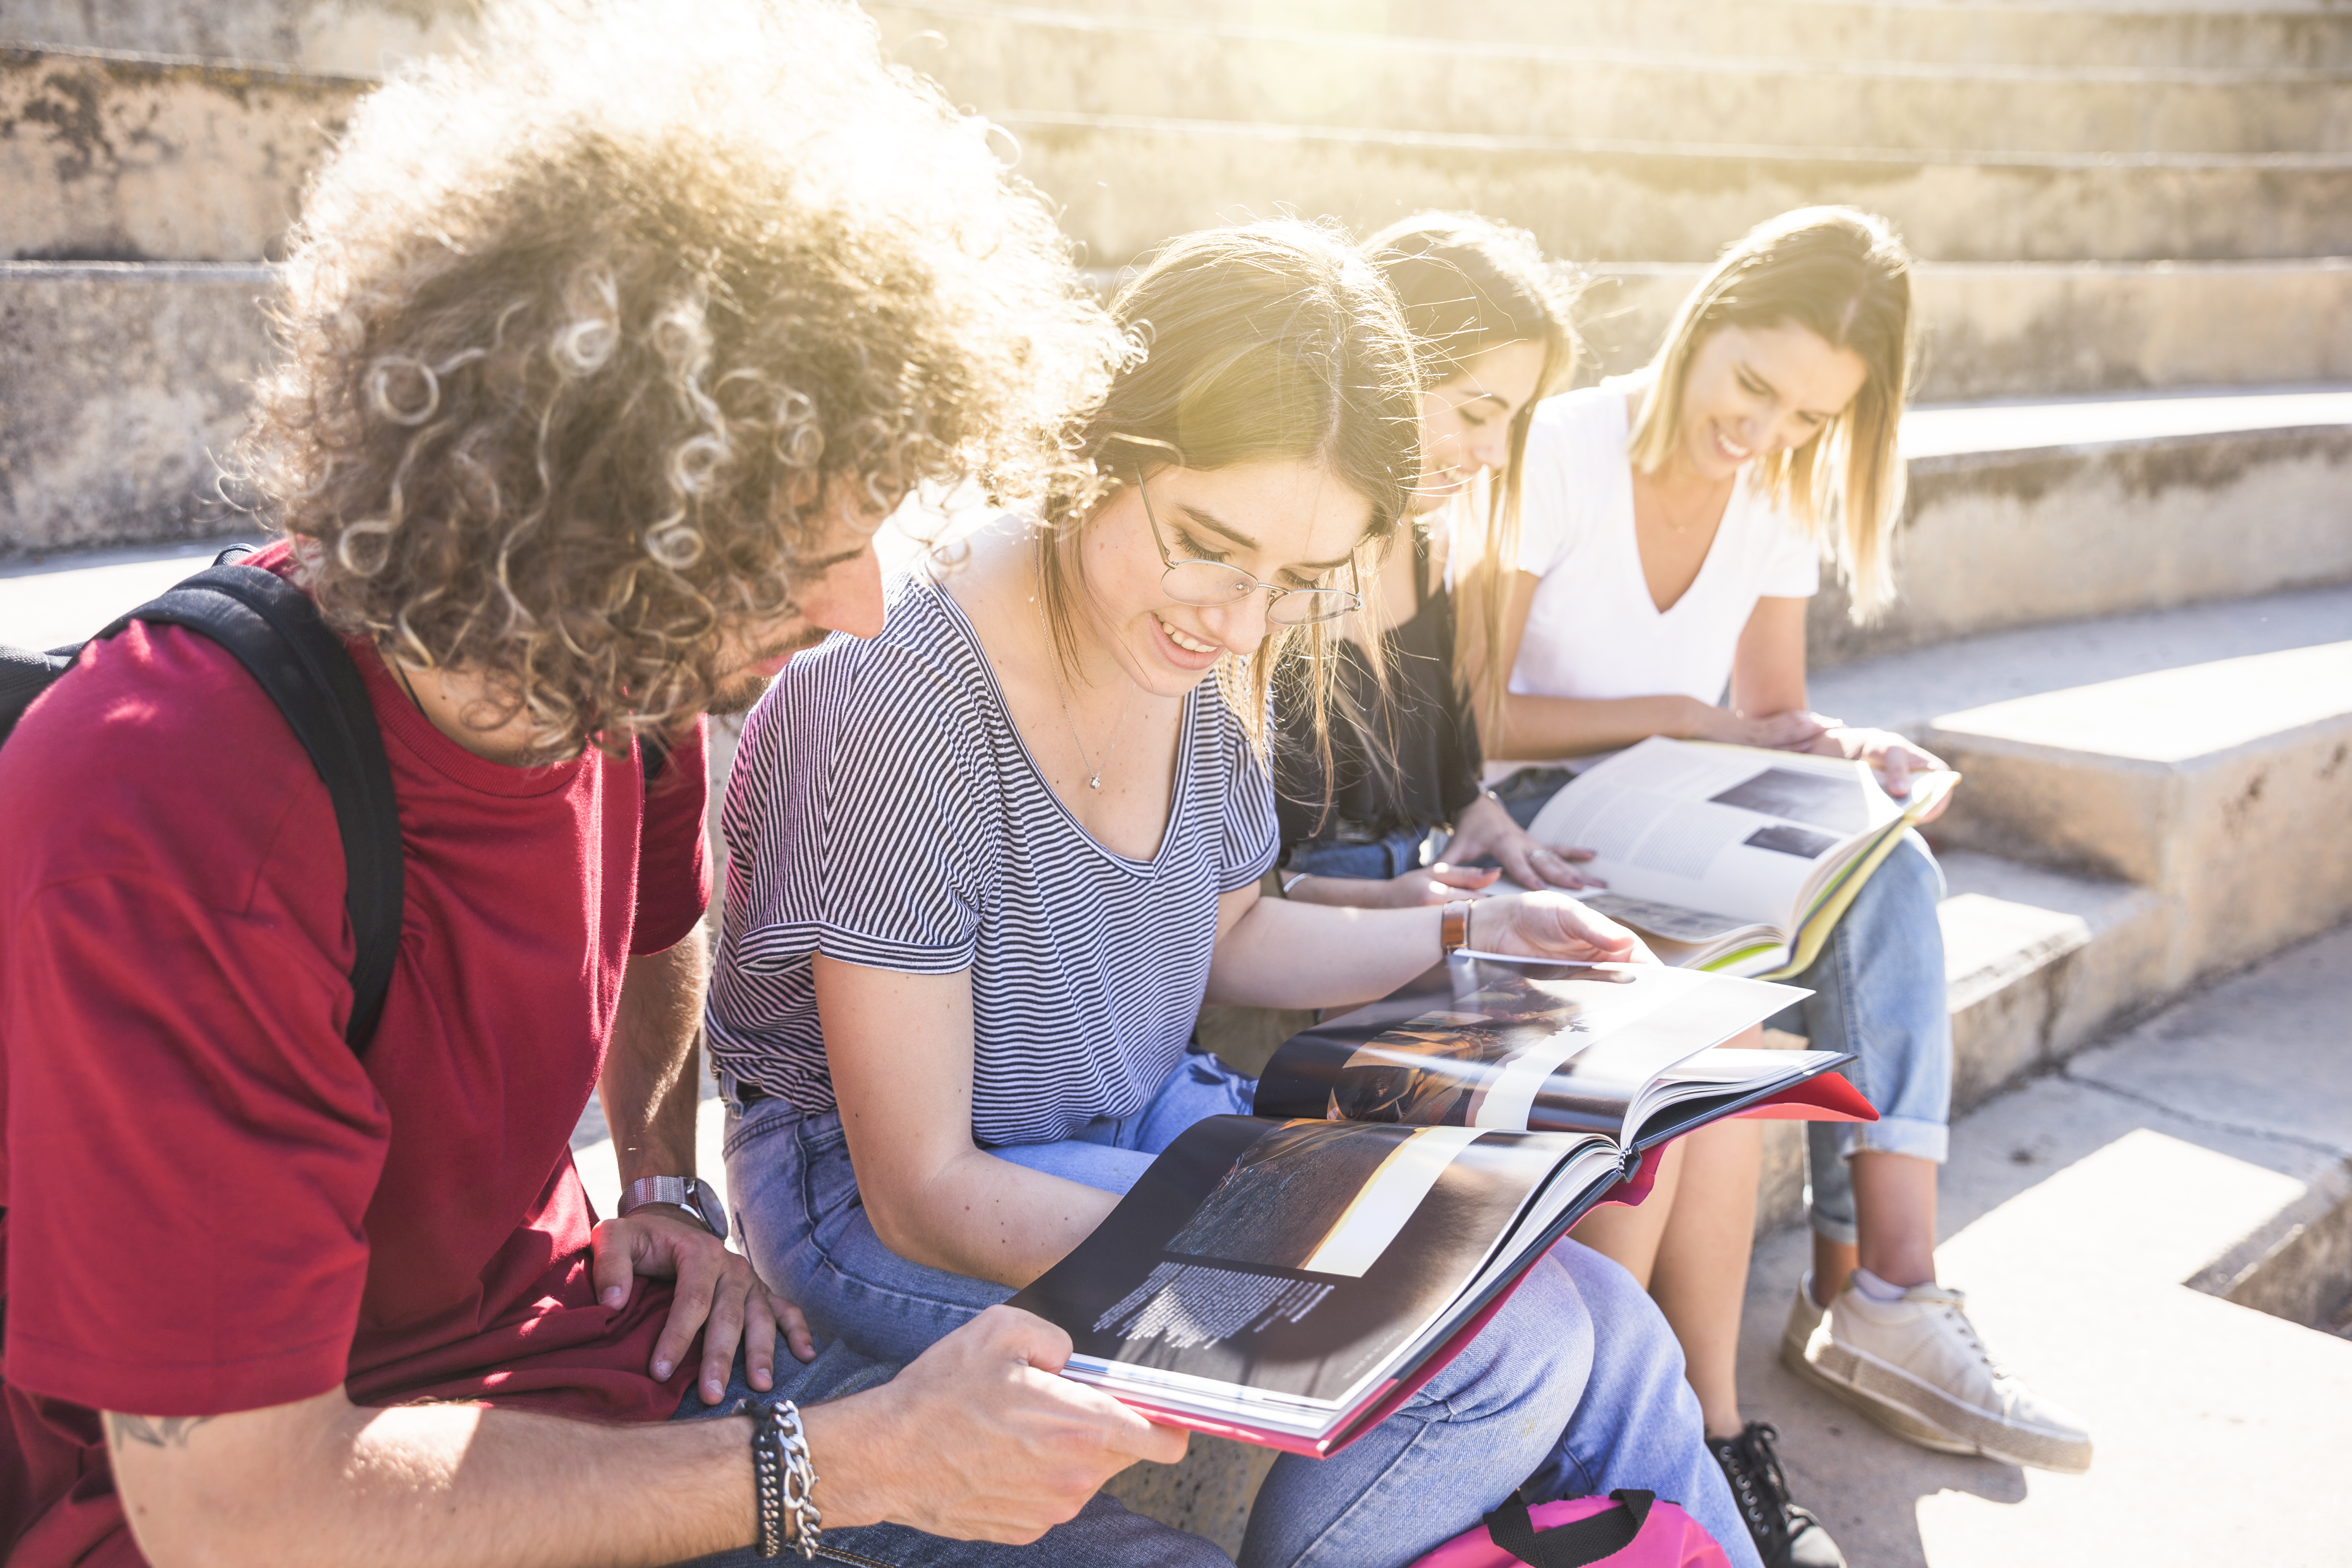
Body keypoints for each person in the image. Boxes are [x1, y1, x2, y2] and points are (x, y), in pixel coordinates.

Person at [0, 4, 1269, 1564]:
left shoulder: (616, 659)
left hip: (594, 1365)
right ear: (591, 517)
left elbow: (660, 918)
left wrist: (659, 1170)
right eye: (812, 553)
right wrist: (851, 1460)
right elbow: (237, 1507)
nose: (866, 608)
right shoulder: (167, 808)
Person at [707, 218, 1769, 1568]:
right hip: (882, 1210)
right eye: (1210, 545)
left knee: (1614, 1330)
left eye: (1297, 582)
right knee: (1493, 1348)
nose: (1241, 622)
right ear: (1101, 441)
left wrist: (1468, 929)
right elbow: (923, 1188)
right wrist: (1326, 1258)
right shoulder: (895, 702)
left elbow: (1229, 934)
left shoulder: (1210, 644)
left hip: (1141, 1131)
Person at [1455, 206, 2095, 1566]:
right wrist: (1692, 719)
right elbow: (1476, 718)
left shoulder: (1778, 491)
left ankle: (1883, 1290)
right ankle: (1691, 1406)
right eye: (1751, 387)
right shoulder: (1562, 447)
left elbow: (1776, 714)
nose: (1764, 435)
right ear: (1707, 316)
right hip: (1533, 812)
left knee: (1893, 865)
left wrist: (1846, 759)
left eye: (1807, 419)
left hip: (1679, 801)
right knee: (1721, 1003)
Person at [1269, 212, 1598, 909]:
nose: (1497, 455)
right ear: (1382, 366)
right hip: (1280, 954)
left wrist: (1477, 812)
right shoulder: (1259, 564)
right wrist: (1384, 907)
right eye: (1478, 415)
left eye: (1514, 422)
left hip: (1418, 909)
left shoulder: (1429, 549)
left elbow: (1442, 778)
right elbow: (1208, 889)